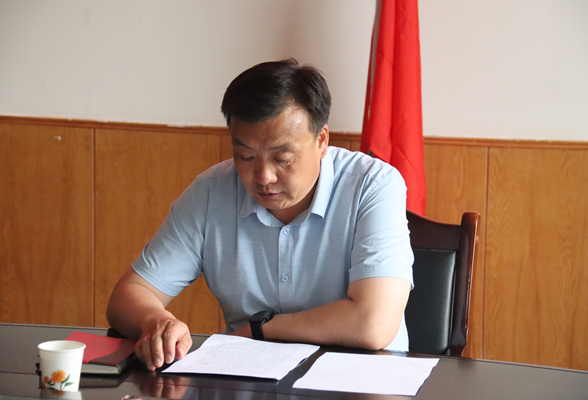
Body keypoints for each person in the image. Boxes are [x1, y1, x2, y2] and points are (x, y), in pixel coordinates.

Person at [107, 59, 414, 371]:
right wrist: (156, 321)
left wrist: (260, 330)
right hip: (249, 375)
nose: (263, 176)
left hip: (360, 376)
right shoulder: (212, 191)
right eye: (245, 156)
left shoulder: (373, 185)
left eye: (283, 158)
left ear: (321, 141)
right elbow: (131, 294)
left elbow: (373, 323)